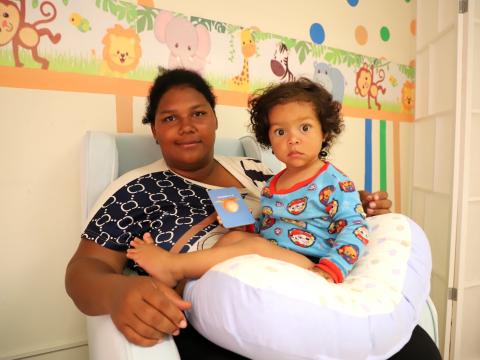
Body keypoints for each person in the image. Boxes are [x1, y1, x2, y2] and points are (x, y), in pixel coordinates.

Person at [65, 68, 439, 360]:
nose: (187, 126)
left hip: (302, 279)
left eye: (198, 113)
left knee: (412, 347)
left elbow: (307, 208)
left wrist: (357, 202)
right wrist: (118, 294)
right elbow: (84, 270)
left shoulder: (260, 172)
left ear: (214, 120)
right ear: (154, 131)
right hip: (223, 312)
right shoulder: (136, 189)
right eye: (169, 119)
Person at [125, 78, 369, 285]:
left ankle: (174, 267)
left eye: (304, 128)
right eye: (280, 132)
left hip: (312, 263)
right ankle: (204, 285)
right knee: (233, 239)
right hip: (278, 255)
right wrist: (243, 226)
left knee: (256, 248)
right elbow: (270, 224)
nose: (292, 139)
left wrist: (330, 270)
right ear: (268, 139)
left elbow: (354, 228)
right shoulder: (274, 183)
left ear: (324, 132)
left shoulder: (334, 181)